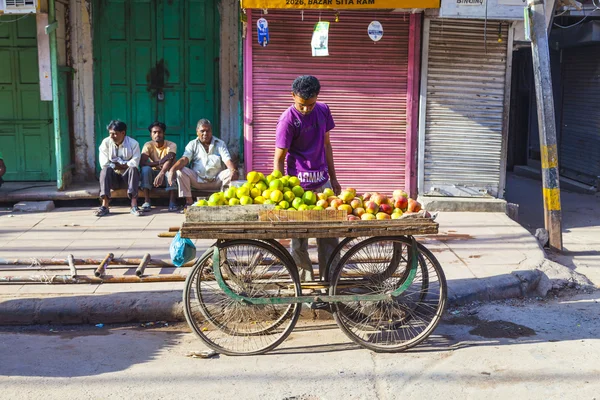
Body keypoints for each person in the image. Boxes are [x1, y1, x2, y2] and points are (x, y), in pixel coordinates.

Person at [273, 75, 341, 284]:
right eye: (302, 105)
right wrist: (282, 190)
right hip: (298, 189)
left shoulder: (323, 110)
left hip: (323, 185)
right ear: (293, 96)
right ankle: (306, 286)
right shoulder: (287, 120)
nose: (306, 109)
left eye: (310, 105)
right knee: (299, 241)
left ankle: (330, 285)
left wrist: (334, 178)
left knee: (329, 237)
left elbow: (327, 145)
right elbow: (279, 159)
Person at [168, 119, 239, 209]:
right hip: (198, 180)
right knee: (181, 171)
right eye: (202, 131)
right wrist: (172, 170)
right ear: (197, 132)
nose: (205, 134)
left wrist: (233, 170)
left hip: (216, 180)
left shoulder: (220, 143)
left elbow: (227, 160)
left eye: (207, 131)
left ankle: (223, 201)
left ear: (211, 131)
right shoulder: (192, 144)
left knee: (230, 172)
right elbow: (184, 159)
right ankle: (189, 202)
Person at [95, 120, 143, 217]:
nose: (112, 137)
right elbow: (104, 164)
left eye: (115, 134)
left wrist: (117, 164)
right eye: (110, 134)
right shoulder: (106, 142)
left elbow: (134, 163)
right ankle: (105, 206)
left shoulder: (133, 144)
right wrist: (124, 164)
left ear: (123, 133)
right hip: (113, 178)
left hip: (128, 179)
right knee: (105, 170)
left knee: (133, 170)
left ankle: (134, 205)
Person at [139, 121, 178, 212]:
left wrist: (162, 172)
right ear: (151, 134)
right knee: (145, 169)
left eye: (159, 132)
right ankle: (147, 201)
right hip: (153, 176)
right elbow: (143, 162)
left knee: (171, 170)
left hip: (165, 173)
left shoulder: (171, 145)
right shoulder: (148, 145)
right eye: (154, 132)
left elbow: (170, 160)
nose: (157, 134)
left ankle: (172, 202)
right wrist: (160, 162)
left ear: (163, 133)